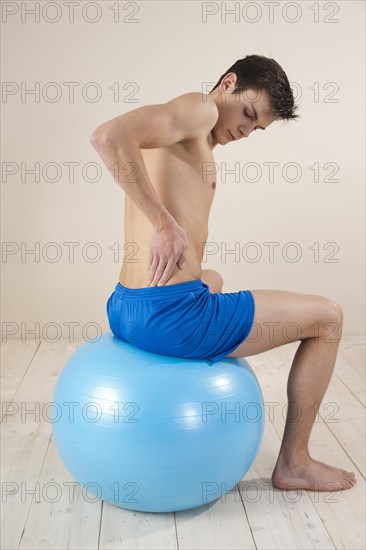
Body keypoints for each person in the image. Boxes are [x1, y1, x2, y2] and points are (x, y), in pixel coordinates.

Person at [91, 55, 356, 491]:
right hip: (173, 319)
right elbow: (107, 137)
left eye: (257, 128)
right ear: (228, 83)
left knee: (212, 276)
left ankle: (194, 301)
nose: (246, 130)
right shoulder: (199, 109)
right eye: (248, 113)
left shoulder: (186, 135)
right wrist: (163, 224)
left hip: (125, 308)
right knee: (328, 318)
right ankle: (294, 462)